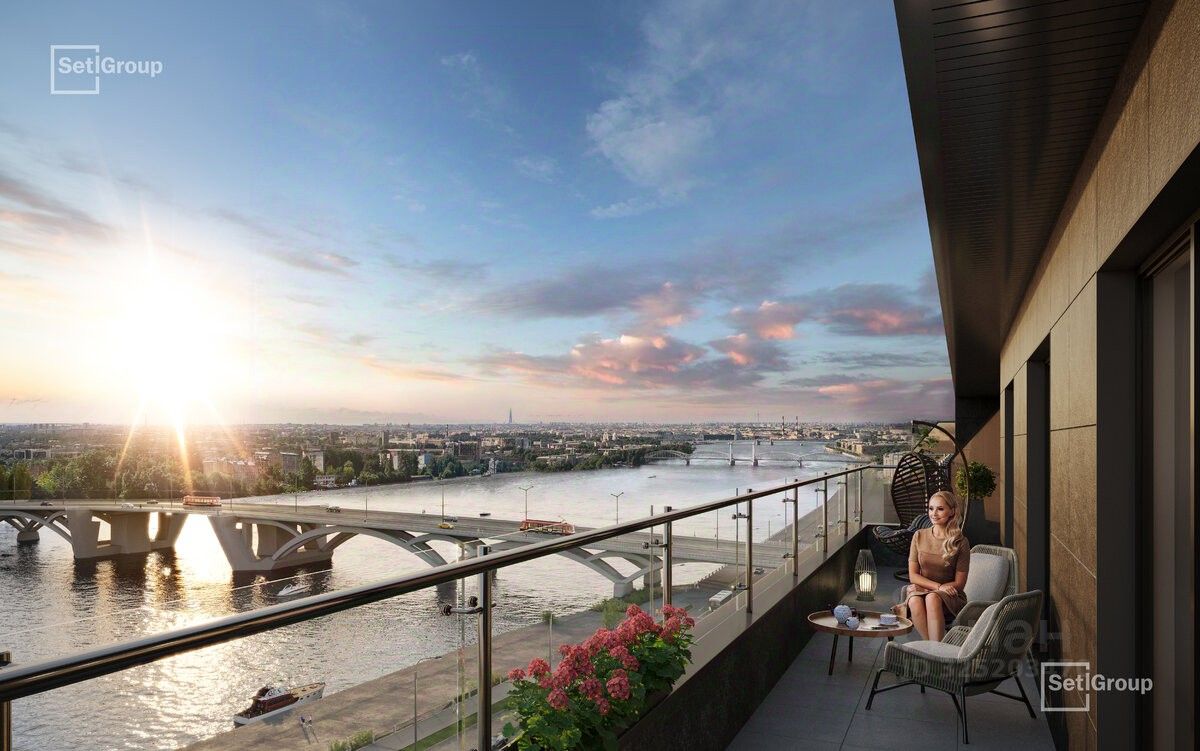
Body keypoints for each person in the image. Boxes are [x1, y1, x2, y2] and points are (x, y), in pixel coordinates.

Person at [899, 490, 969, 641]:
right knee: (914, 600)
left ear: (952, 511)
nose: (934, 514)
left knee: (932, 598)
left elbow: (960, 584)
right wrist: (937, 587)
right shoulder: (919, 536)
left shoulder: (961, 542)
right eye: (931, 508)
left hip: (951, 596)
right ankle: (933, 647)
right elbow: (913, 576)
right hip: (925, 590)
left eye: (940, 509)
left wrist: (937, 590)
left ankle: (933, 648)